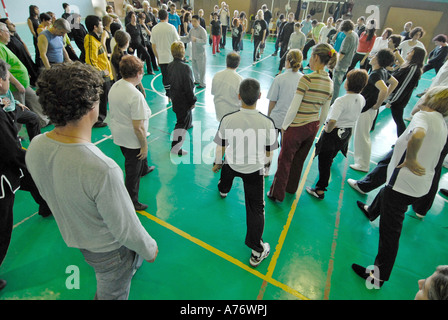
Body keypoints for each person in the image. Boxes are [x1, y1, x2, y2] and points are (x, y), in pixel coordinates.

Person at [26, 61, 158, 300]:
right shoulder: (101, 168)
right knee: (112, 293)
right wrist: (149, 248)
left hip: (78, 237)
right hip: (110, 251)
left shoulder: (36, 146)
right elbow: (126, 228)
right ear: (91, 108)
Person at [352, 86, 448, 288]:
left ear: (432, 99)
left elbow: (418, 134)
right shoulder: (441, 121)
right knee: (386, 191)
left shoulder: (424, 117)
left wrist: (411, 158)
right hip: (420, 185)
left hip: (403, 184)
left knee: (390, 232)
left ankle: (378, 276)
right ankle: (372, 210)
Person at [212, 78, 278, 267]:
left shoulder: (228, 119)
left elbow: (221, 146)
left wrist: (218, 162)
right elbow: (269, 151)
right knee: (256, 209)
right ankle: (257, 250)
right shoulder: (267, 122)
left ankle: (223, 189)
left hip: (232, 163)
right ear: (259, 96)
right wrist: (266, 167)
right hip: (253, 170)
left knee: (226, 173)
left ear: (239, 96)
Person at [0, 59, 51, 292]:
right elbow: (10, 151)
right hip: (4, 177)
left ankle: (46, 206)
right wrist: (31, 158)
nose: (9, 80)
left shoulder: (5, 104)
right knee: (3, 225)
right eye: (6, 77)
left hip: (12, 167)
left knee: (33, 181)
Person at [268, 44, 336, 202]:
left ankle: (276, 193)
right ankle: (291, 188)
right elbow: (325, 112)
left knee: (285, 160)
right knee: (299, 160)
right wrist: (317, 128)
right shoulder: (329, 82)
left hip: (296, 126)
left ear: (317, 58)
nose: (309, 60)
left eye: (311, 56)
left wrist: (285, 126)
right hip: (312, 127)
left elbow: (294, 106)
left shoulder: (307, 79)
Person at [306, 69, 368, 199]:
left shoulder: (341, 100)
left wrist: (327, 130)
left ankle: (320, 190)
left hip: (334, 131)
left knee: (324, 162)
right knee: (333, 152)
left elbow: (333, 120)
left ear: (348, 83)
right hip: (346, 132)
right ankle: (331, 158)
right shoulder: (361, 98)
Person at [109, 55, 155, 211]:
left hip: (120, 134)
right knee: (131, 172)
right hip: (132, 139)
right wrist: (144, 146)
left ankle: (144, 168)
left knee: (136, 164)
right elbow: (139, 127)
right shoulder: (135, 96)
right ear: (138, 73)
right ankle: (132, 201)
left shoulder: (116, 86)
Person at [350, 49, 398, 172]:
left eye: (375, 55)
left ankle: (363, 164)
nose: (372, 56)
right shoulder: (382, 71)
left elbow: (383, 88)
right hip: (369, 109)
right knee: (362, 135)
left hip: (367, 109)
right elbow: (394, 82)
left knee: (362, 136)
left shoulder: (375, 74)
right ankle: (361, 162)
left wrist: (378, 103)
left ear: (378, 59)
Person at [0, 22, 49, 128]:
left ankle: (43, 121)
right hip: (16, 86)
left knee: (35, 100)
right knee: (18, 111)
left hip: (22, 82)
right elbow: (4, 70)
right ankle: (14, 134)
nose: (9, 34)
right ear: (0, 33)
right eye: (7, 31)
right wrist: (17, 84)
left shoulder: (3, 46)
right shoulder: (0, 48)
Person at [386, 47, 426, 137]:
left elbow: (404, 86)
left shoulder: (413, 68)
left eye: (411, 52)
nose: (408, 53)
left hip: (398, 99)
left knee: (398, 120)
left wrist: (392, 101)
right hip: (393, 96)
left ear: (416, 55)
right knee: (398, 119)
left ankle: (403, 139)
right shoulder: (408, 65)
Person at [84, 15, 114, 128]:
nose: (102, 26)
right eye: (100, 24)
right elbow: (91, 61)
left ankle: (99, 118)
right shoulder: (90, 40)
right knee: (101, 98)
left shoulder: (96, 39)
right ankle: (98, 120)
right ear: (95, 27)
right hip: (102, 76)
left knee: (105, 98)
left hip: (106, 75)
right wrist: (101, 73)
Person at [167, 41, 196, 156]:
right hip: (183, 100)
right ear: (183, 52)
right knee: (180, 123)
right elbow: (189, 87)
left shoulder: (170, 65)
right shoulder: (186, 68)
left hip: (175, 98)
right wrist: (192, 100)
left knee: (183, 119)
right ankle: (175, 147)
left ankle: (188, 124)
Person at [267, 49, 303, 134]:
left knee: (270, 146)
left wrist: (269, 117)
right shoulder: (303, 79)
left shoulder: (279, 78)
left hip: (277, 119)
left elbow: (272, 101)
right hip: (292, 121)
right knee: (286, 146)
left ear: (287, 61)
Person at [151, 9, 180, 100]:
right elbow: (177, 42)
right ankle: (174, 93)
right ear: (167, 16)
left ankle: (169, 95)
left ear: (158, 17)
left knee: (165, 77)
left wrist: (158, 58)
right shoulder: (171, 27)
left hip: (162, 58)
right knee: (173, 77)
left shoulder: (154, 29)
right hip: (171, 57)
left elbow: (153, 46)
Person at [1, 18, 39, 86]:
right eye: (10, 24)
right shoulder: (8, 44)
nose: (13, 25)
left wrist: (29, 55)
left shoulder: (14, 37)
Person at [331, 20, 358, 104]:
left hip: (341, 64)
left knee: (336, 84)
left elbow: (342, 53)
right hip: (347, 62)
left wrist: (333, 64)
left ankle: (332, 101)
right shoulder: (355, 35)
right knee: (337, 82)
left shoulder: (348, 37)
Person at [211, 52, 243, 122]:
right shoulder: (239, 79)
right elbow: (241, 99)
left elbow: (213, 92)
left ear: (226, 62)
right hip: (232, 112)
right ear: (238, 64)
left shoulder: (217, 75)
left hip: (219, 110)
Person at [180, 14, 207, 88]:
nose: (193, 23)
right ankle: (197, 80)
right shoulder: (191, 30)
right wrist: (179, 38)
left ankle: (202, 83)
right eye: (192, 21)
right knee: (194, 67)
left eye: (195, 21)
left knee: (202, 69)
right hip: (194, 52)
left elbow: (205, 41)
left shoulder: (202, 30)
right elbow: (188, 39)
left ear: (198, 21)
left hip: (201, 53)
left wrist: (196, 40)